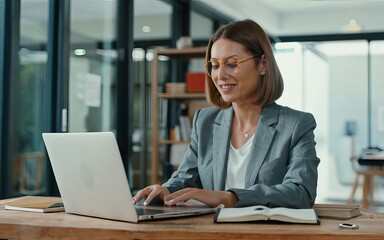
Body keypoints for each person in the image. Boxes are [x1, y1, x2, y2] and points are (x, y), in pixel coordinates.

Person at [133, 19, 320, 209]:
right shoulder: (204, 121)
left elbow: (301, 192)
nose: (220, 75)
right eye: (214, 65)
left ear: (263, 64)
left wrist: (230, 198)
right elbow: (185, 178)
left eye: (231, 64)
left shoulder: (296, 124)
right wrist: (166, 190)